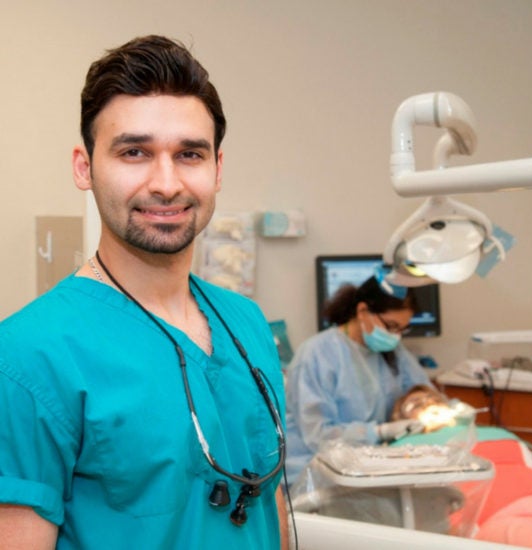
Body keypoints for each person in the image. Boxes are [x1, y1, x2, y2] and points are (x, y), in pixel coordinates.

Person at [0, 35, 288, 549]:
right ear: (84, 167)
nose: (166, 182)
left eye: (189, 154)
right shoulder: (26, 356)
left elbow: (272, 509)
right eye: (134, 152)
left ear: (217, 169)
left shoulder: (247, 324)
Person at [285, 276, 435, 485]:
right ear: (363, 311)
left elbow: (420, 388)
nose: (397, 336)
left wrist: (425, 406)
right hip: (319, 471)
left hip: (370, 462)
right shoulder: (317, 355)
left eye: (403, 329)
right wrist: (378, 432)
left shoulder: (393, 352)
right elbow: (319, 436)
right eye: (391, 326)